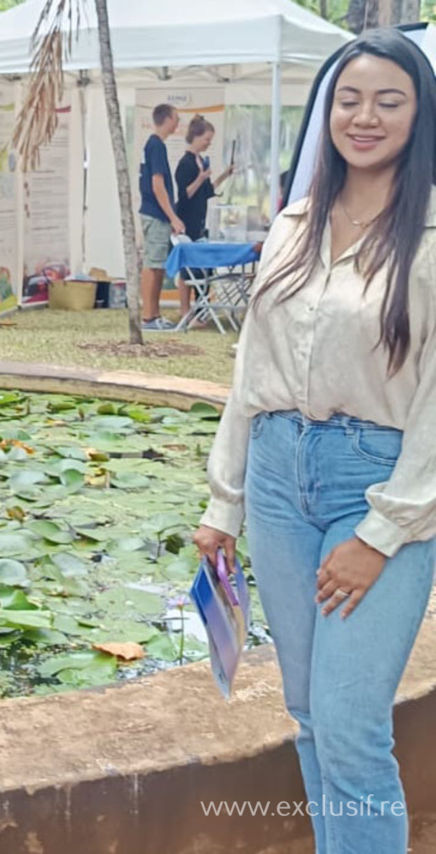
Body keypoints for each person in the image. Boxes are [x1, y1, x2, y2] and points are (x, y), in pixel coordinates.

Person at [194, 29, 436, 854]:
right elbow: (249, 369)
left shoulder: (432, 232)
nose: (364, 117)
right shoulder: (297, 221)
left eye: (388, 101)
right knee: (307, 716)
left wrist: (383, 533)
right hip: (275, 478)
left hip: (380, 483)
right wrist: (223, 501)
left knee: (351, 724)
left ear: (420, 113)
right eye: (349, 99)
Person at [174, 115, 234, 320]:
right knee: (186, 268)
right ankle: (184, 310)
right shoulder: (185, 163)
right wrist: (200, 178)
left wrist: (225, 175)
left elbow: (207, 191)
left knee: (201, 267)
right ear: (196, 137)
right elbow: (185, 195)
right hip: (186, 220)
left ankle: (201, 309)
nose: (208, 143)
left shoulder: (200, 161)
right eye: (206, 139)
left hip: (200, 220)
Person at [139, 103, 185, 332]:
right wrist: (173, 217)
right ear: (167, 119)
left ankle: (154, 314)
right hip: (155, 213)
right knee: (152, 264)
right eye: (176, 118)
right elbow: (158, 185)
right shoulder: (155, 145)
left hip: (157, 214)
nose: (178, 123)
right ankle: (148, 316)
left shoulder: (155, 145)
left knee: (157, 265)